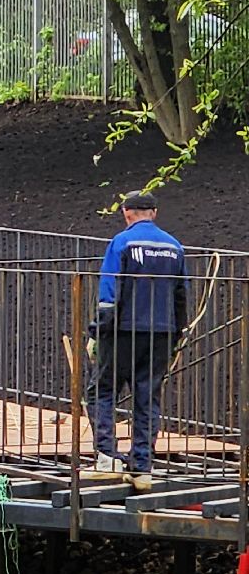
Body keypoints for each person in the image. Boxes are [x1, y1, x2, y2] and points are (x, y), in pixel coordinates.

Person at [86, 190, 186, 491]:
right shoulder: (174, 246)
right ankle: (142, 466)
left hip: (122, 331)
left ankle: (107, 459)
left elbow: (109, 291)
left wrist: (97, 330)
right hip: (161, 332)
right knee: (147, 397)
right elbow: (181, 295)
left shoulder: (122, 242)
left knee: (102, 391)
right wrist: (176, 334)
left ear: (127, 213)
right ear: (154, 212)